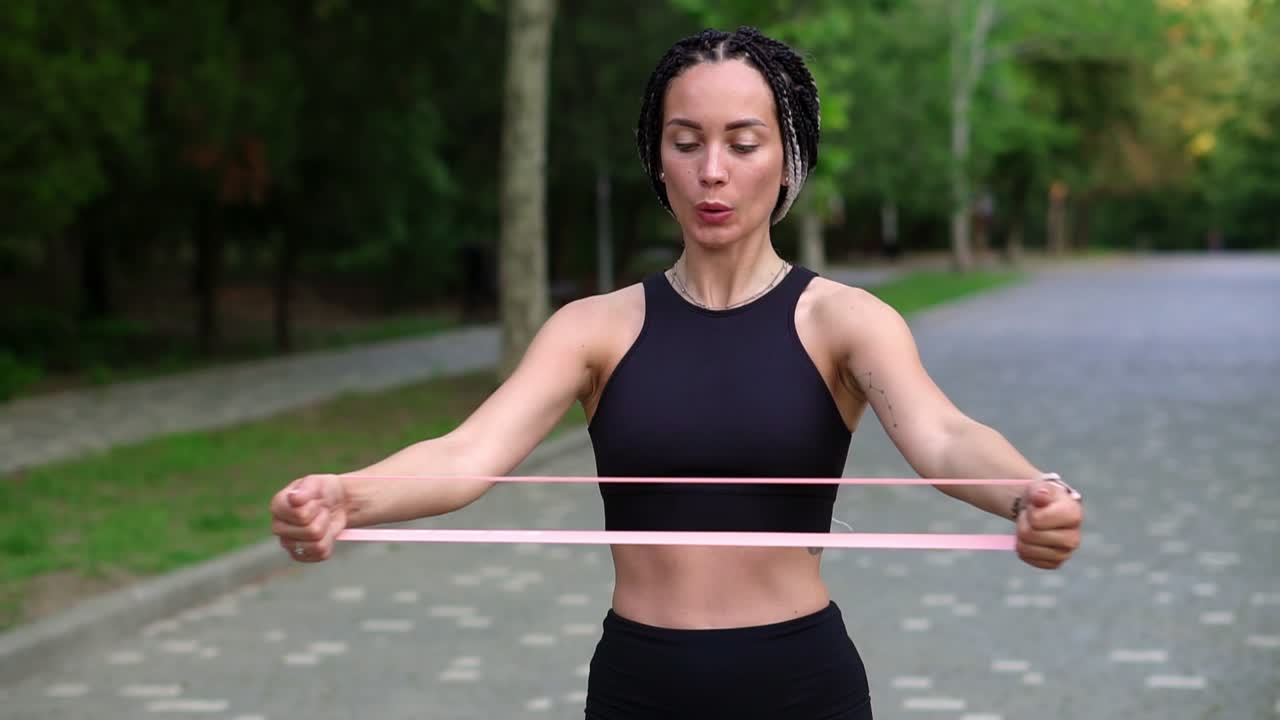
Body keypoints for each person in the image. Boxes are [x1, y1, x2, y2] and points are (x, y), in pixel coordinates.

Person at [269, 26, 1084, 720]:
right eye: (686, 143)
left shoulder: (844, 321)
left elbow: (942, 436)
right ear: (658, 159)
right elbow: (466, 453)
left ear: (788, 157)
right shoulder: (594, 328)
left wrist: (1027, 491)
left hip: (799, 683)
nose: (713, 171)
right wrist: (349, 495)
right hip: (638, 684)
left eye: (743, 142)